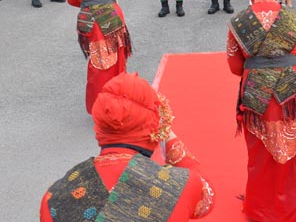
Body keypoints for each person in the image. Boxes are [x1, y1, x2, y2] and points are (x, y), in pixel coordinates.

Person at [39, 72, 214, 221]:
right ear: (154, 128)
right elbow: (207, 196)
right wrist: (168, 135)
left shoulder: (54, 199)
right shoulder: (179, 185)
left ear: (99, 125)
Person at [226, 0, 296, 222]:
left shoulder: (239, 22)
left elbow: (234, 68)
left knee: (259, 158)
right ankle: (290, 213)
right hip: (292, 94)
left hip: (256, 95)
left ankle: (261, 212)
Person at [67, 0, 145, 113]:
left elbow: (72, 0)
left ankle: (98, 104)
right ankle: (114, 103)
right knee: (115, 61)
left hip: (88, 20)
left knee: (97, 63)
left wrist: (91, 0)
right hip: (111, 19)